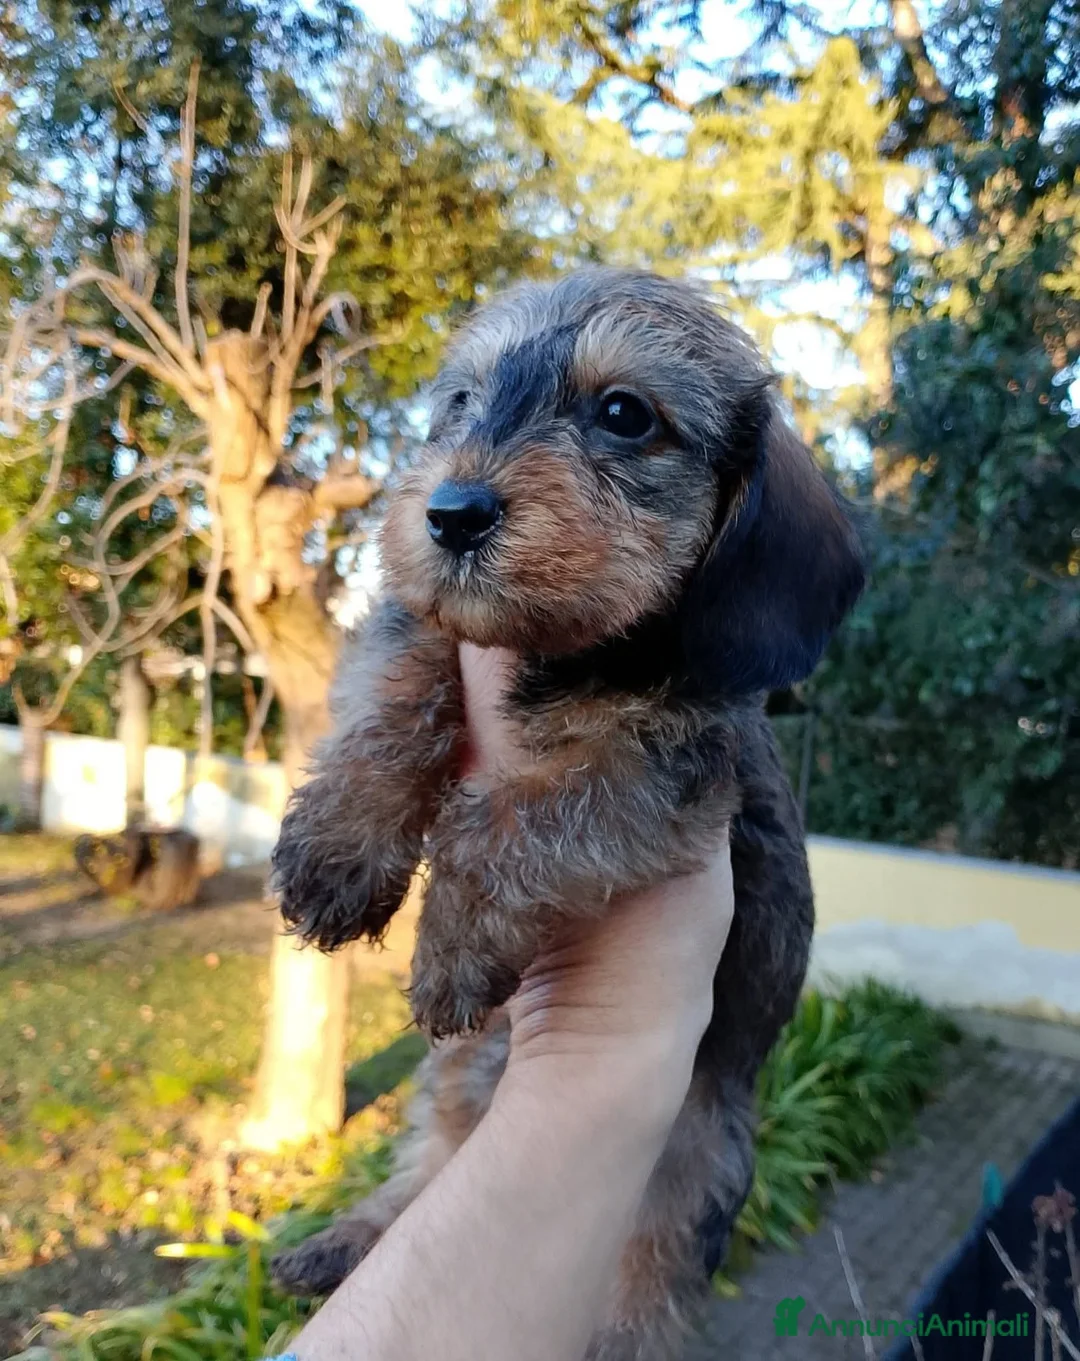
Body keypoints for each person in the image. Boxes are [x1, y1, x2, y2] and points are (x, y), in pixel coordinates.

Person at [270, 643, 736, 1361]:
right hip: (554, 1030)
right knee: (467, 1057)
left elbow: (664, 759)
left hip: (709, 1053)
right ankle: (406, 1203)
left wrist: (485, 874)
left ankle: (621, 1326)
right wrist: (379, 763)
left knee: (656, 1233)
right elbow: (403, 640)